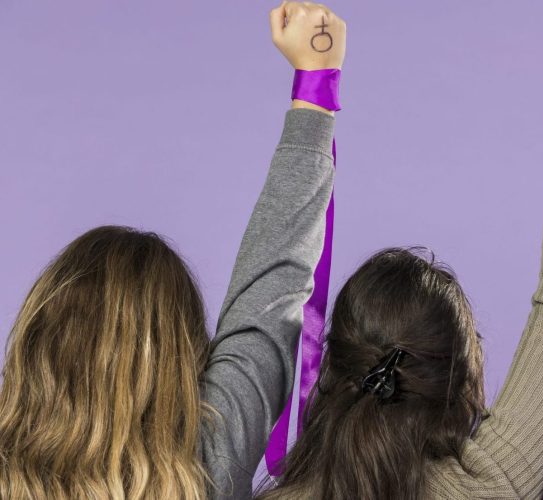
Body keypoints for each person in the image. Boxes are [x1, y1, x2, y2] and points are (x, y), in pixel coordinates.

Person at [0, 2, 344, 498]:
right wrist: (317, 79)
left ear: (36, 343)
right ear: (184, 355)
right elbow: (270, 293)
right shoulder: (207, 466)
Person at [254, 37, 543, 499]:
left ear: (331, 362)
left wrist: (314, 83)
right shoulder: (490, 485)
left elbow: (266, 295)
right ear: (458, 379)